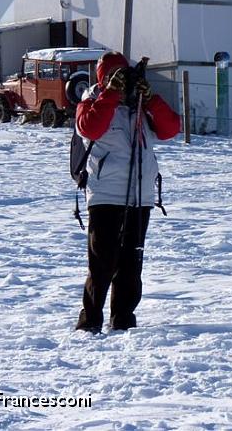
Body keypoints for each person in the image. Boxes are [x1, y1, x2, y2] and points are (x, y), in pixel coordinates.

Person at [74, 52, 180, 333]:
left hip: (139, 196)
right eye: (112, 77)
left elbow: (171, 129)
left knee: (131, 262)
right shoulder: (91, 102)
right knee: (102, 262)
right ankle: (91, 321)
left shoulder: (140, 106)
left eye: (123, 76)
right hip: (106, 195)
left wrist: (152, 98)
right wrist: (109, 94)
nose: (120, 83)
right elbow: (90, 127)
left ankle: (123, 318)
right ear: (102, 79)